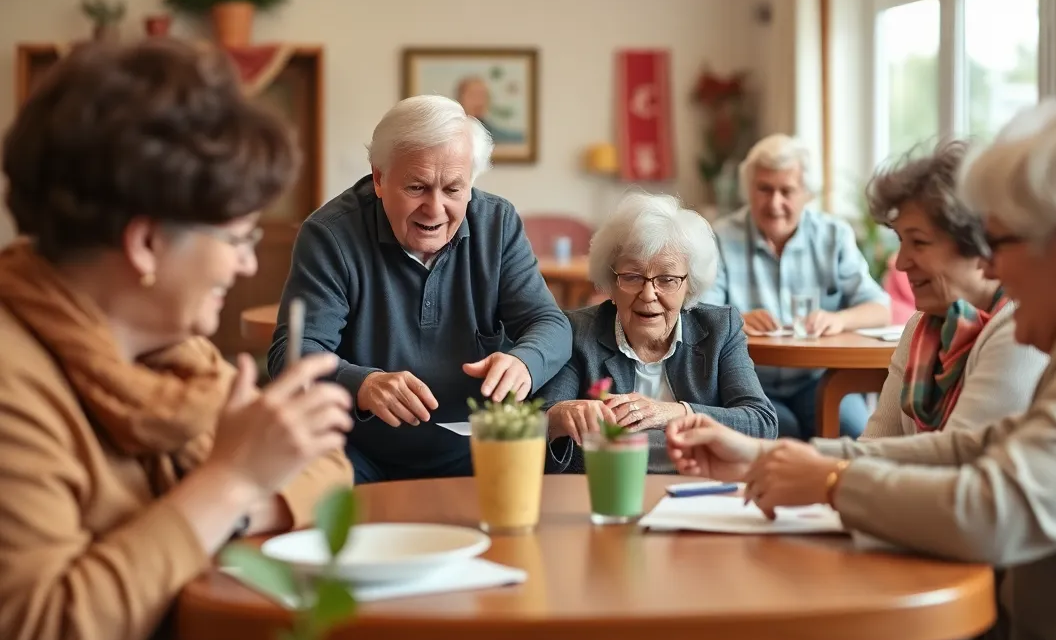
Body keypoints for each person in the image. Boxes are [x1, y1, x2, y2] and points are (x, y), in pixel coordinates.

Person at [667, 98, 1056, 640]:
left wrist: (832, 483)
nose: (990, 266)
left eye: (999, 243)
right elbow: (983, 449)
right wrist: (771, 459)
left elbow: (993, 511)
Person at [0, 40, 353, 640]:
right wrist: (230, 481)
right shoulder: (14, 381)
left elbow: (329, 473)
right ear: (145, 245)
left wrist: (236, 505)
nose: (246, 265)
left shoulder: (174, 357)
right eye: (238, 238)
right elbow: (42, 634)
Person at [268, 94, 572, 482]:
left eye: (453, 190)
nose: (435, 208)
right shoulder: (330, 235)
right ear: (379, 178)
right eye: (417, 188)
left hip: (478, 452)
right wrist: (364, 385)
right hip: (358, 457)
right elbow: (292, 356)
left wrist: (524, 361)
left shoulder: (497, 224)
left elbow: (550, 323)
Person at [537, 193, 777, 472]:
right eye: (632, 277)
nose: (649, 294)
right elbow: (540, 423)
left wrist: (674, 413)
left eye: (667, 279)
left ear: (689, 286)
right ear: (610, 284)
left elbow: (761, 422)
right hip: (606, 494)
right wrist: (558, 418)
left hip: (697, 491)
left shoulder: (719, 329)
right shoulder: (578, 332)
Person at [703, 134, 891, 439]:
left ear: (806, 194)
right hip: (750, 381)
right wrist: (737, 319)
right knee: (778, 433)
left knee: (856, 435)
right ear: (749, 191)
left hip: (821, 379)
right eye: (764, 189)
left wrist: (838, 319)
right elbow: (702, 312)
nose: (775, 203)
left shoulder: (834, 235)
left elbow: (880, 308)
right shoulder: (720, 238)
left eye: (786, 191)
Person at [859, 140, 1047, 437]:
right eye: (900, 241)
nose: (902, 263)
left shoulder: (1018, 331)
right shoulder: (921, 327)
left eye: (918, 242)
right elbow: (877, 441)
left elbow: (955, 458)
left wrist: (828, 470)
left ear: (978, 244)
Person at [455, 75, 524, 144]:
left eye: (483, 96)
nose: (479, 102)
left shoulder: (500, 137)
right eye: (473, 95)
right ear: (460, 99)